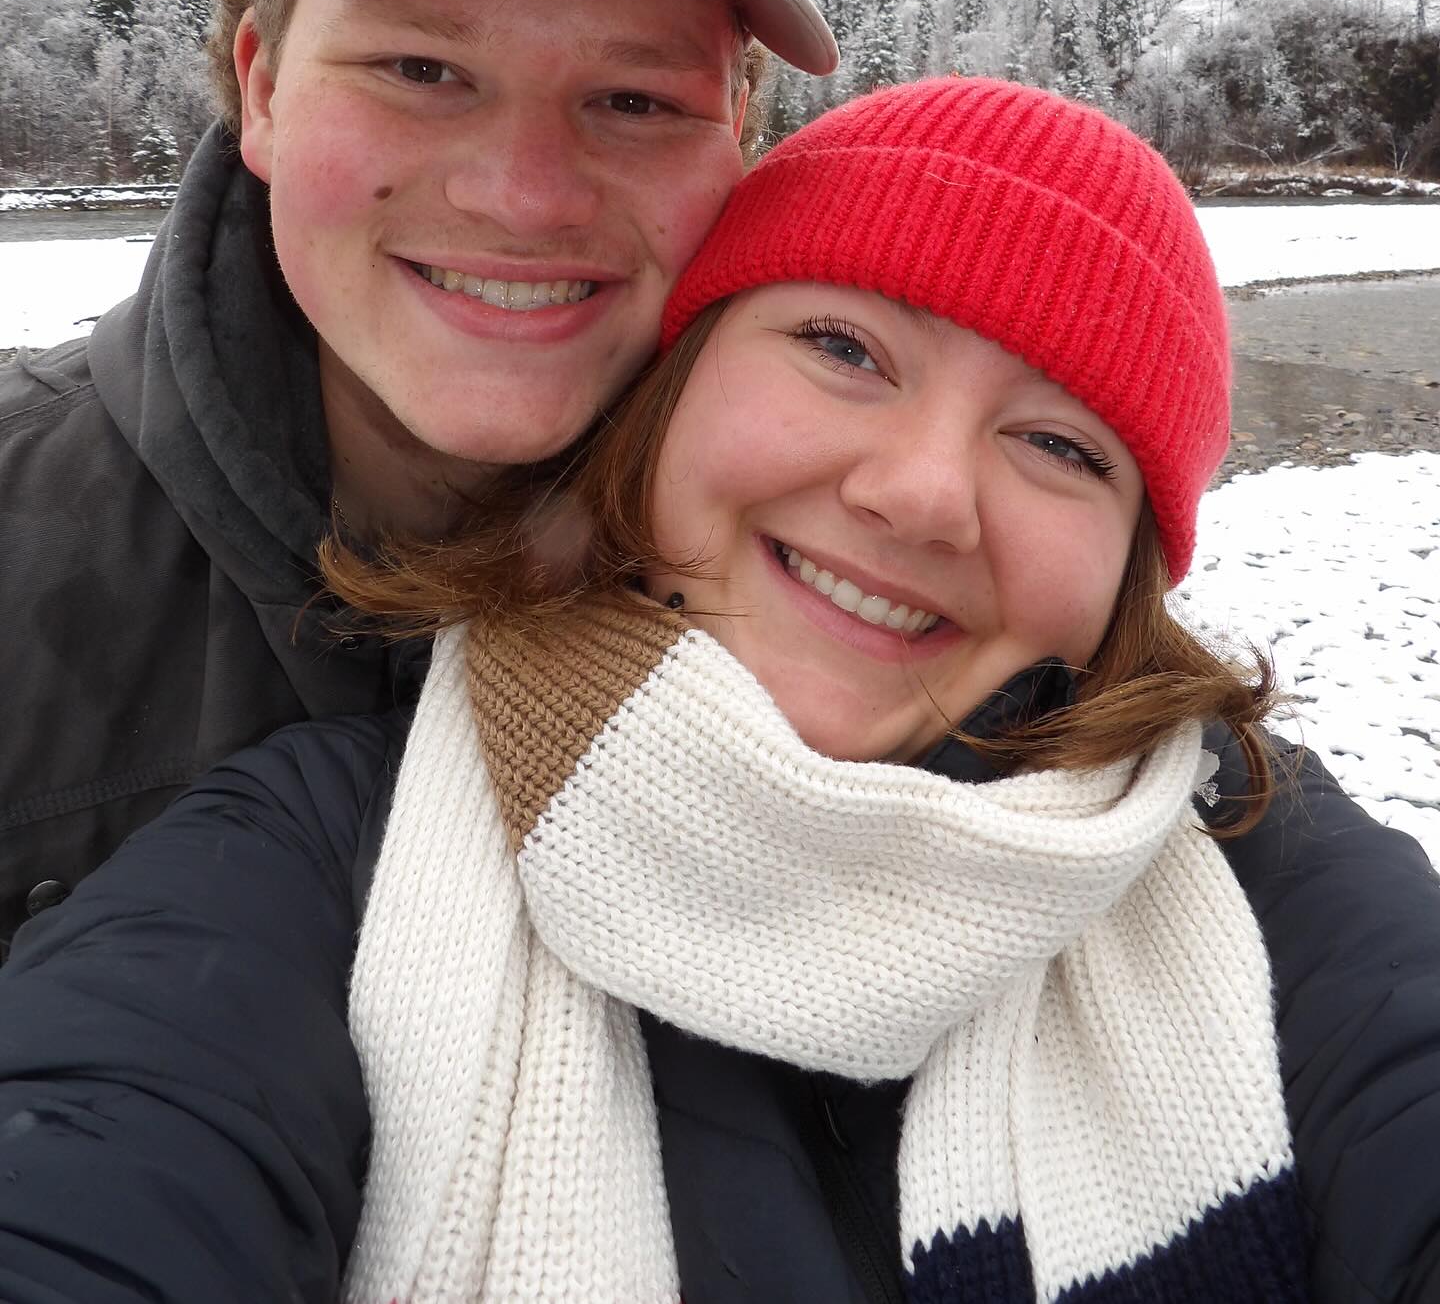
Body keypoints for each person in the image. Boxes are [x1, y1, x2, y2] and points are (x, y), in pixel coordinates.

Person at [1, 77, 1437, 1304]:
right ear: (672, 390)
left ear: (1132, 564)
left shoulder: (1266, 870)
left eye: (1062, 447)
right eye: (843, 349)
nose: (922, 495)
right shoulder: (317, 862)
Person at [0, 0, 835, 952]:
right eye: (422, 71)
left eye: (633, 99)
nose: (526, 197)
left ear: (738, 128)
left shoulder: (856, 566)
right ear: (263, 86)